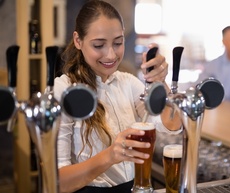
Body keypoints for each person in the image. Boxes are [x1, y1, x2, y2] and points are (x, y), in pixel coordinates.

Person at [53, 1, 182, 192]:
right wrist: (110, 155)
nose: (111, 55)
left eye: (118, 43)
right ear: (78, 41)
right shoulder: (63, 89)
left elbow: (172, 125)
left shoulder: (128, 83)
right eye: (99, 45)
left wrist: (160, 82)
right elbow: (58, 183)